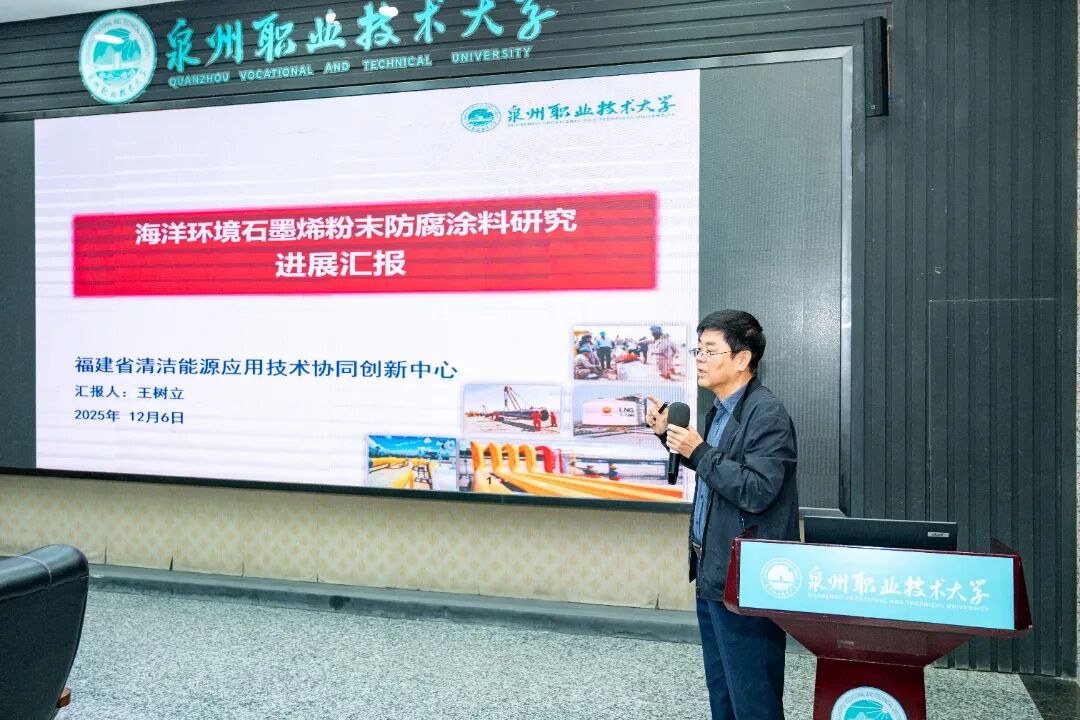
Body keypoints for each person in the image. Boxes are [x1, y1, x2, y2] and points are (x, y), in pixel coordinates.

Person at [646, 310, 798, 720]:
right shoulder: (721, 409)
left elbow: (757, 490)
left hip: (747, 578)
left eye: (710, 351)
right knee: (724, 692)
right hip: (712, 569)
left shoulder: (766, 414)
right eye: (697, 350)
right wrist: (670, 438)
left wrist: (698, 451)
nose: (699, 358)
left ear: (742, 359)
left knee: (753, 695)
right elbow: (718, 471)